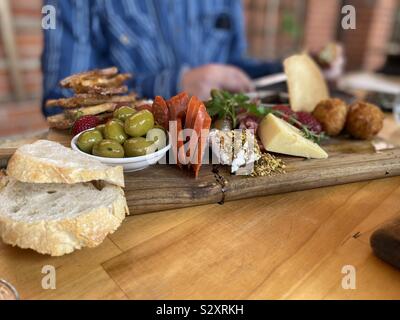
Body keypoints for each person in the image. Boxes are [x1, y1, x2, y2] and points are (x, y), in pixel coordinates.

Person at [41, 0, 282, 116]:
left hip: (218, 159)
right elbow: (59, 98)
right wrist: (175, 85)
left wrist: (289, 71)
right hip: (136, 174)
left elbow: (232, 69)